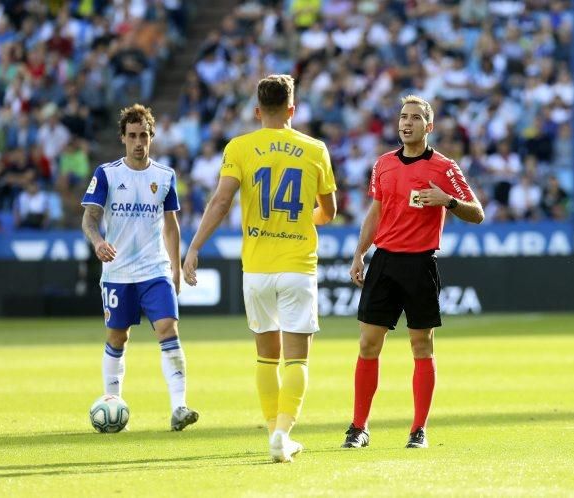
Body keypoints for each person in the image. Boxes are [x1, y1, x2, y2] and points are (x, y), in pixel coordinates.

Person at [182, 74, 337, 463]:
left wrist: (194, 247)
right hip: (298, 265)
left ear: (256, 111)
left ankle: (274, 432)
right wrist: (304, 219)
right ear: (292, 109)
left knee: (267, 357)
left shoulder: (240, 147)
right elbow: (329, 212)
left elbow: (220, 202)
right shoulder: (314, 148)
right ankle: (283, 433)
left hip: (256, 268)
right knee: (297, 358)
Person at [342, 95, 484, 450]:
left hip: (421, 263)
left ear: (428, 126)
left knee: (421, 345)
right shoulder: (383, 164)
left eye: (415, 118)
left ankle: (418, 429)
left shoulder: (445, 168)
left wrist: (447, 201)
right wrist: (360, 253)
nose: (407, 123)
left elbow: (477, 212)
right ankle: (359, 427)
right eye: (403, 117)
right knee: (367, 344)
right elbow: (375, 212)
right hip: (384, 262)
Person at [81, 104, 198, 432]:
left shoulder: (164, 176)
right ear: (122, 137)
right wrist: (97, 242)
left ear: (151, 137)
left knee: (168, 329)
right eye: (132, 135)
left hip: (154, 269)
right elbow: (89, 219)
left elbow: (171, 226)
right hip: (118, 272)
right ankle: (112, 400)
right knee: (118, 337)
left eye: (143, 135)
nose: (138, 142)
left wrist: (175, 269)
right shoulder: (107, 174)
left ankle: (179, 407)